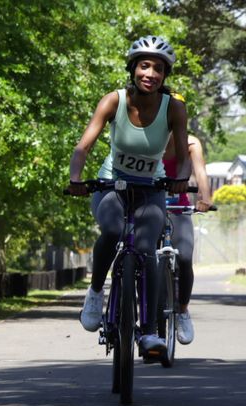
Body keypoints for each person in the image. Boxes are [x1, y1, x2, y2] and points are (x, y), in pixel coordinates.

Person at [68, 35, 189, 359]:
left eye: (158, 69)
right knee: (111, 230)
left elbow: (184, 150)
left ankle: (149, 333)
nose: (150, 73)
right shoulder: (114, 101)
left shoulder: (174, 107)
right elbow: (84, 145)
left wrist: (181, 180)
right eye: (144, 66)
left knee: (147, 248)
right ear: (133, 68)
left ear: (165, 75)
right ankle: (95, 294)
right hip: (113, 183)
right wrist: (76, 178)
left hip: (151, 187)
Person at [162, 129, 214, 345]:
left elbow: (200, 171)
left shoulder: (192, 143)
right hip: (148, 205)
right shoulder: (147, 140)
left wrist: (205, 196)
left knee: (184, 256)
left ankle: (182, 311)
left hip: (176, 206)